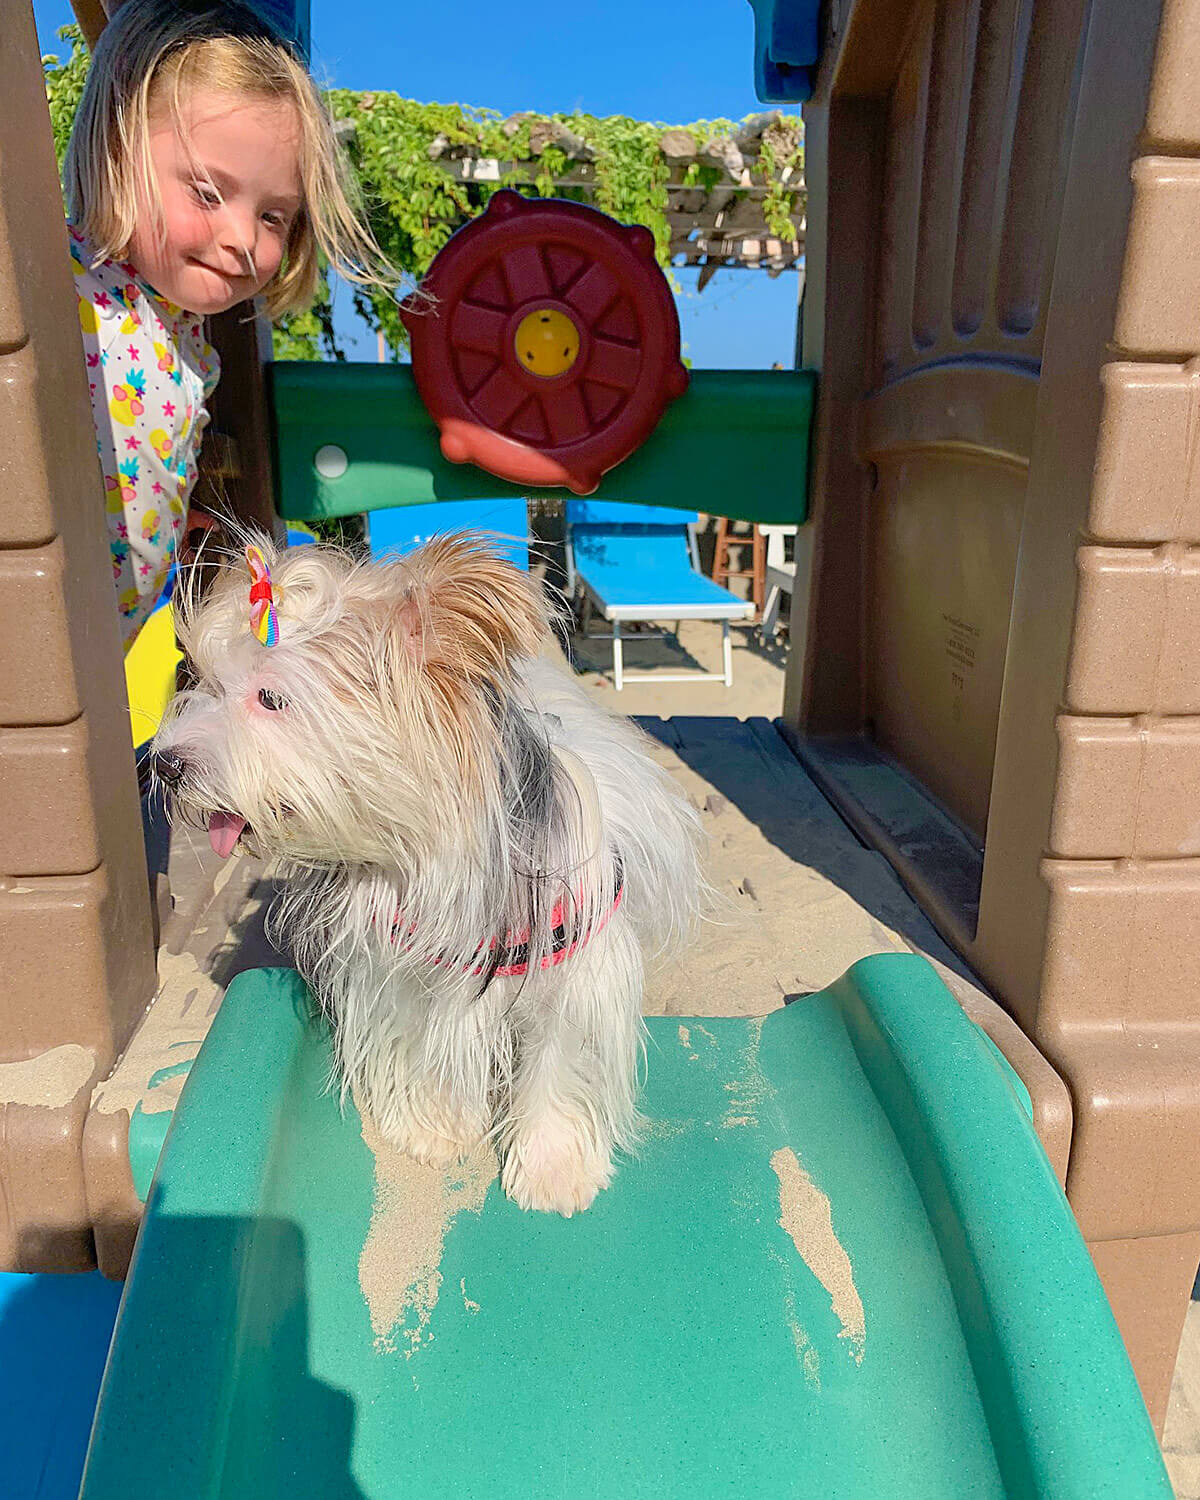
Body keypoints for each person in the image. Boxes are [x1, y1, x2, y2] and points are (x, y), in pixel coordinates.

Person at [63, 0, 392, 647]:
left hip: (96, 648)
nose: (243, 238)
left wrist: (162, 516)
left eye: (273, 215)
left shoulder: (178, 331)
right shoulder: (70, 296)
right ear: (114, 147)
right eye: (207, 193)